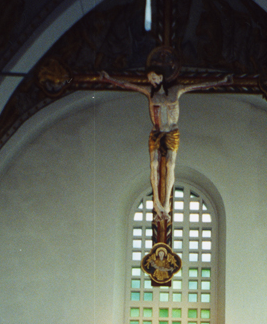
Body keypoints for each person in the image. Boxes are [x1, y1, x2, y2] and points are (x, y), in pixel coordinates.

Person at [99, 68, 232, 220]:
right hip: (156, 132)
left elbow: (199, 85)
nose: (152, 81)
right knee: (154, 164)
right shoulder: (150, 92)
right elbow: (127, 85)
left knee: (170, 165)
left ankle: (167, 204)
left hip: (172, 131)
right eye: (150, 79)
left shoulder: (176, 90)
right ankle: (156, 202)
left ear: (161, 77)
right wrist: (109, 79)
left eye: (154, 77)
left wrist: (221, 81)